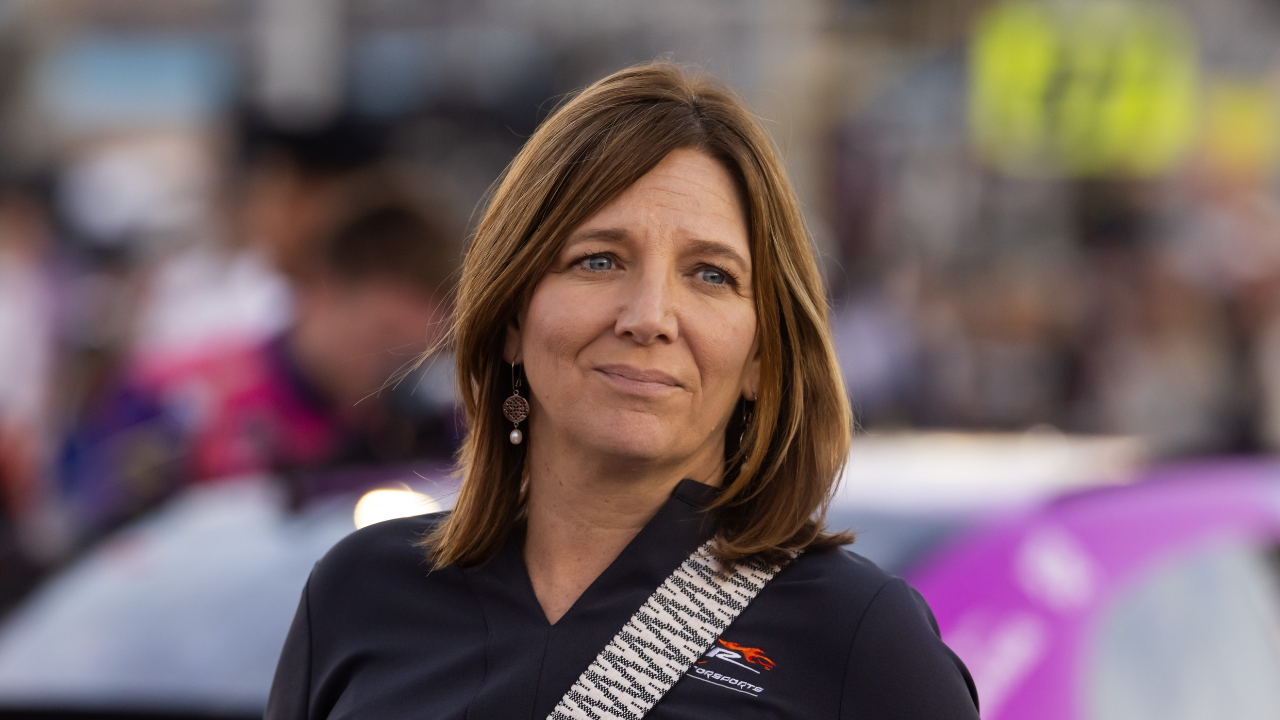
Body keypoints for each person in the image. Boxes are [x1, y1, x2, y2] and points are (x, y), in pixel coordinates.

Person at [266, 62, 979, 719]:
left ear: (763, 357)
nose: (648, 318)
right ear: (513, 315)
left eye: (710, 275)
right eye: (599, 260)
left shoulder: (858, 638)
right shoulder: (358, 596)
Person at [60, 166, 461, 540]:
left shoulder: (429, 425)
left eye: (420, 350)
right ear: (319, 291)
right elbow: (98, 543)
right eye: (382, 334)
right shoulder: (178, 396)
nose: (397, 364)